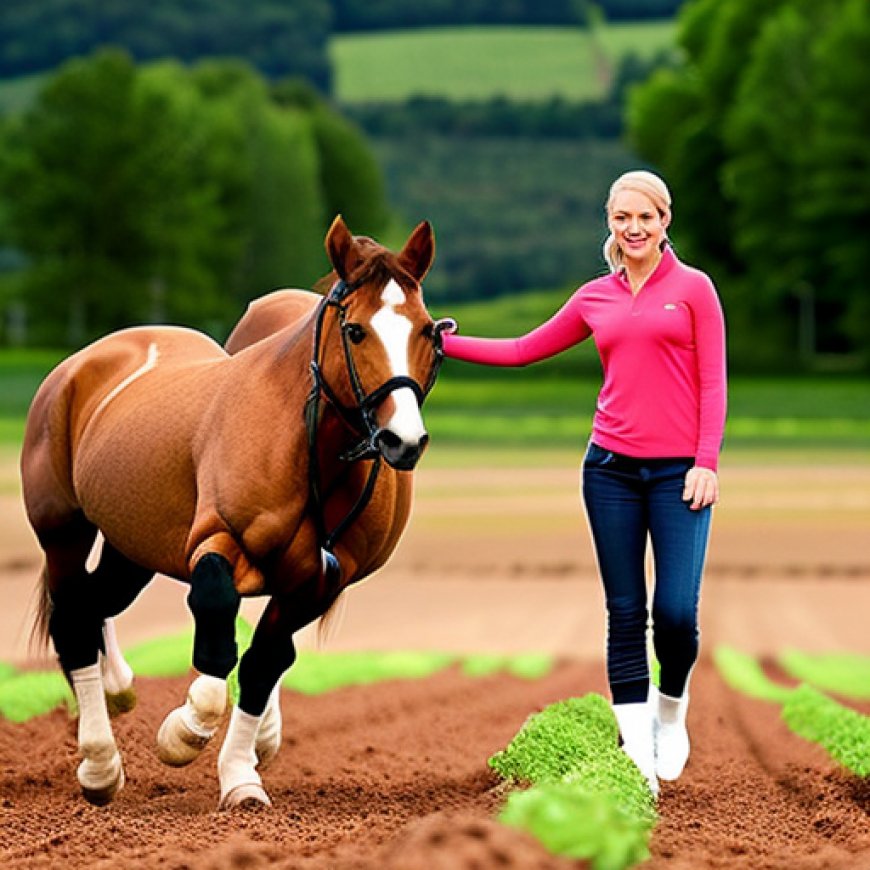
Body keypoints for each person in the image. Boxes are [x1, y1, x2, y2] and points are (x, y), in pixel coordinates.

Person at [439, 170, 727, 796]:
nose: (633, 229)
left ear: (664, 221)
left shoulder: (695, 290)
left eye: (644, 218)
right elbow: (522, 349)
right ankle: (639, 761)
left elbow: (713, 381)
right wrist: (443, 344)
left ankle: (670, 711)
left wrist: (707, 460)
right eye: (622, 218)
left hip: (681, 476)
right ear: (611, 223)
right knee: (625, 613)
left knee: (674, 613)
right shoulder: (595, 296)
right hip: (610, 472)